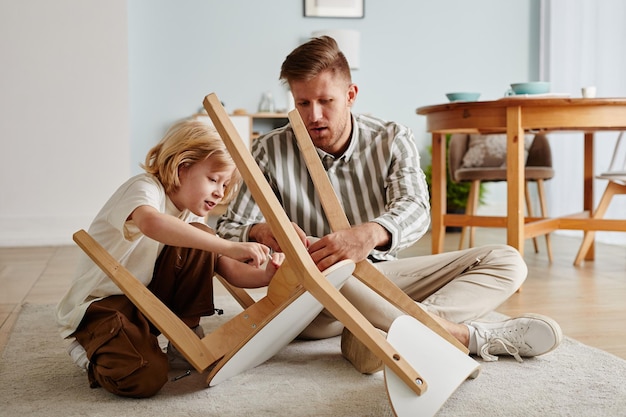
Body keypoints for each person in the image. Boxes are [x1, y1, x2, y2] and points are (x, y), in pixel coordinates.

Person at [217, 36, 563, 373]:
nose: (314, 115)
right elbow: (228, 229)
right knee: (330, 270)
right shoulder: (269, 150)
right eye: (302, 103)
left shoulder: (391, 137)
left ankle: (379, 336)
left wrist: (370, 234)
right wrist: (263, 231)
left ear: (351, 95)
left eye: (326, 101)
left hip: (383, 278)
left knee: (507, 261)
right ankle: (461, 336)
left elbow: (415, 207)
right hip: (316, 299)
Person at [56, 119, 283, 398]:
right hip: (102, 307)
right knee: (145, 378)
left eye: (224, 185)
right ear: (182, 166)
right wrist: (227, 245)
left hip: (146, 301)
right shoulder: (144, 188)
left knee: (199, 233)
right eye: (213, 179)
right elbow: (151, 223)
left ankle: (183, 340)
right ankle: (89, 349)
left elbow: (224, 267)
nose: (219, 192)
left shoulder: (193, 214)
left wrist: (266, 275)